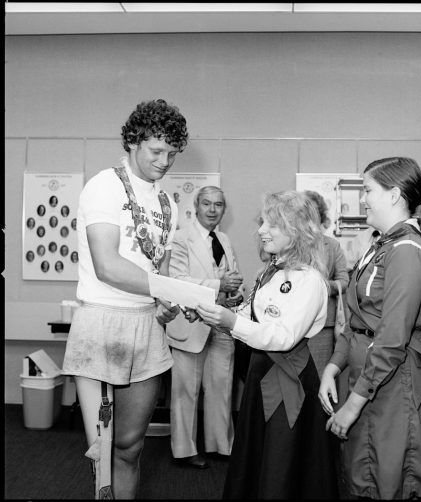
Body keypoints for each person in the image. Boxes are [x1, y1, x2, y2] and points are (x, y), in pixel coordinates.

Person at [62, 98, 189, 499]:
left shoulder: (168, 203)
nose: (165, 160)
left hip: (146, 324)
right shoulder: (104, 185)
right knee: (102, 454)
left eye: (172, 152)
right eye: (156, 151)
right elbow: (108, 266)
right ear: (133, 141)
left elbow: (161, 273)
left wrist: (169, 303)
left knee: (131, 447)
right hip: (102, 322)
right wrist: (168, 290)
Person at [319, 157, 421, 499]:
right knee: (367, 470)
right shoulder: (382, 246)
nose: (362, 198)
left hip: (394, 382)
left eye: (367, 190)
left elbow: (390, 340)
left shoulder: (407, 252)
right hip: (371, 376)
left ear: (393, 195)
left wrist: (353, 404)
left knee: (391, 475)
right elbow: (359, 322)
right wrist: (334, 366)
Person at [197, 191, 340, 499]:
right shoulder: (271, 273)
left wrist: (230, 321)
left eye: (272, 224)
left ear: (297, 228)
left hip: (288, 382)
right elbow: (250, 316)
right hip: (261, 374)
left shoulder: (309, 280)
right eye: (263, 222)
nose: (261, 230)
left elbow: (282, 337)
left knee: (281, 463)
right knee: (258, 458)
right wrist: (210, 314)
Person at [165, 186, 243, 469]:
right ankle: (185, 451)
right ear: (195, 206)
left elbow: (233, 278)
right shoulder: (180, 238)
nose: (212, 210)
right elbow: (178, 279)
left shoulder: (223, 238)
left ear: (224, 209)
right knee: (186, 392)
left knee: (221, 388)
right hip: (190, 323)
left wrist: (236, 293)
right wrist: (220, 285)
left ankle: (220, 445)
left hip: (221, 323)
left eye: (218, 205)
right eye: (207, 204)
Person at [304, 190, 349, 376]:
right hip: (292, 323)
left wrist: (323, 286)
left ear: (321, 216)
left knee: (321, 378)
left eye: (314, 213)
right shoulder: (289, 244)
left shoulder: (332, 245)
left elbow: (344, 280)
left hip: (323, 326)